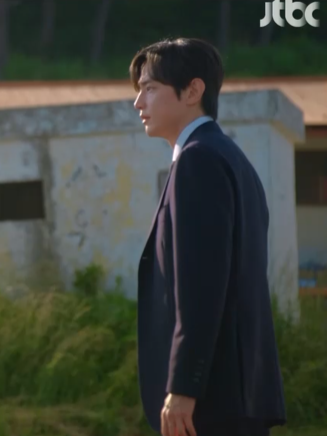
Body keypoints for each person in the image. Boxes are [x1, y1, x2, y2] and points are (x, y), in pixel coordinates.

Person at [131, 38, 286, 436]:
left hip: (212, 401)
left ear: (193, 91)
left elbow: (201, 286)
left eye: (150, 88)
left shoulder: (197, 160)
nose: (138, 102)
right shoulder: (232, 158)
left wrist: (184, 386)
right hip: (239, 391)